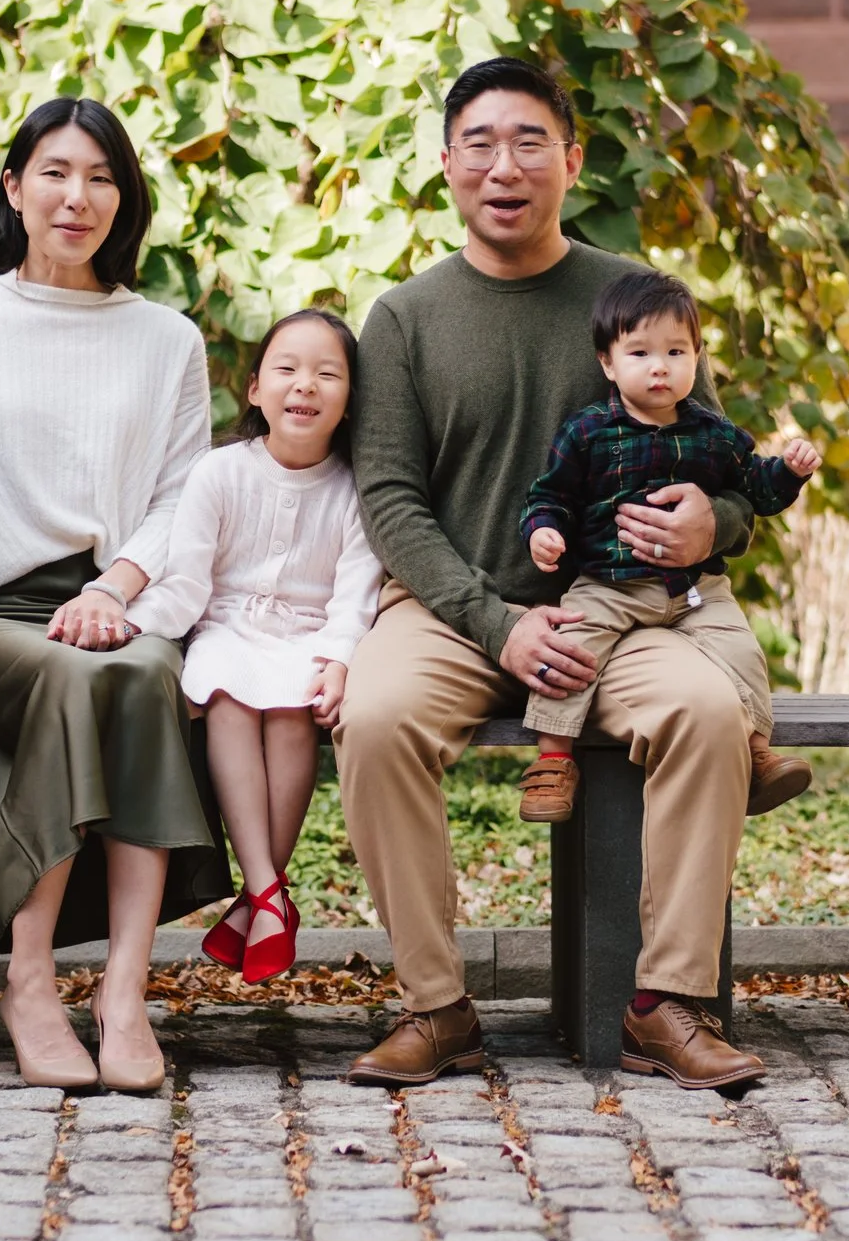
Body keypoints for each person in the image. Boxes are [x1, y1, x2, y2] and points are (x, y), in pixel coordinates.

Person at [337, 55, 794, 1093]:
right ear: (447, 162)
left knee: (708, 710)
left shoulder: (636, 300)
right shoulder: (405, 318)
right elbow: (390, 499)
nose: (505, 165)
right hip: (455, 613)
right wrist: (495, 623)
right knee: (374, 718)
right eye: (482, 143)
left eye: (530, 141)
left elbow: (728, 473)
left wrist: (707, 525)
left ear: (571, 159)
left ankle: (664, 1001)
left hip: (628, 618)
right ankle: (436, 1003)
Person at [0, 96, 227, 1093]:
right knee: (78, 679)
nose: (77, 196)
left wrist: (118, 588)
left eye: (101, 177)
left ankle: (123, 991)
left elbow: (182, 496)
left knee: (137, 672)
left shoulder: (165, 338)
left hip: (125, 597)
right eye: (55, 172)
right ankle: (28, 978)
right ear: (13, 188)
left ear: (124, 200)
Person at [127, 309, 381, 985]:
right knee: (231, 694)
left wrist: (338, 659)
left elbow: (354, 594)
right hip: (226, 626)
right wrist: (133, 623)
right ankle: (271, 891)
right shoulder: (219, 472)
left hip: (309, 635)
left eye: (329, 373)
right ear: (255, 388)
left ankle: (259, 897)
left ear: (351, 396)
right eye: (288, 368)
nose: (306, 384)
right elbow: (186, 580)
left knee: (294, 706)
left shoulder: (356, 489)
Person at [517, 268, 826, 820]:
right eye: (640, 353)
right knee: (570, 651)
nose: (660, 366)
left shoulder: (714, 434)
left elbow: (753, 489)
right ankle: (553, 760)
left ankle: (755, 751)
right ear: (608, 363)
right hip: (609, 586)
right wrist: (545, 530)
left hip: (694, 589)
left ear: (698, 358)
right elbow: (552, 495)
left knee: (739, 647)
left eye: (676, 352)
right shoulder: (587, 433)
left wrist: (788, 473)